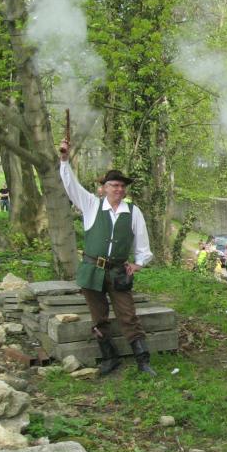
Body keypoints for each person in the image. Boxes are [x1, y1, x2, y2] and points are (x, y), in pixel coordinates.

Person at [59, 138, 156, 376]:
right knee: (98, 317)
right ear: (104, 188)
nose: (119, 190)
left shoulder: (133, 212)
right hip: (92, 270)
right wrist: (64, 160)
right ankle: (110, 358)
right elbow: (71, 186)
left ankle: (143, 361)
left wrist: (139, 263)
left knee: (128, 315)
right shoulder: (91, 205)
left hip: (118, 271)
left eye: (122, 186)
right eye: (114, 185)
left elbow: (142, 243)